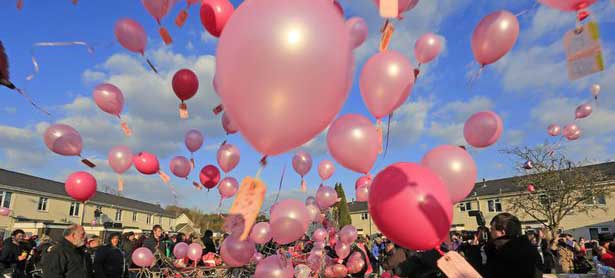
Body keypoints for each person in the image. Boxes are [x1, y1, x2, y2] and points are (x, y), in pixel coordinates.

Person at [484, 213, 542, 278]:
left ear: (502, 232)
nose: (490, 233)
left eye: (492, 229)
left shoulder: (506, 255)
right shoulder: (529, 249)